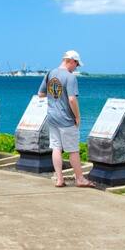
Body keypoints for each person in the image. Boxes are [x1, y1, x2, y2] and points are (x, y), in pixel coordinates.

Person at [38, 50, 92, 187]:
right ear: (71, 61)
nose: (76, 67)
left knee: (56, 147)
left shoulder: (50, 73)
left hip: (52, 117)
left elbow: (40, 94)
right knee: (73, 149)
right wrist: (77, 117)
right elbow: (72, 99)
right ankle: (80, 179)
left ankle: (59, 179)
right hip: (66, 119)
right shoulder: (70, 77)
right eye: (77, 64)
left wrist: (55, 97)